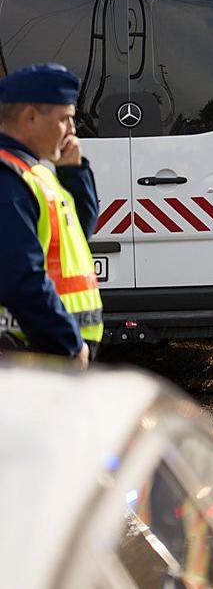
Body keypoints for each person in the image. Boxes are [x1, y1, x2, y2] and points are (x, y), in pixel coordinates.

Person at [0, 64, 102, 368]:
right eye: (65, 119)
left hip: (41, 351)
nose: (73, 130)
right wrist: (67, 343)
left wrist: (74, 170)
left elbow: (80, 233)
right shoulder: (8, 178)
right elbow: (20, 277)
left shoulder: (34, 172)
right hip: (30, 353)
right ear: (30, 117)